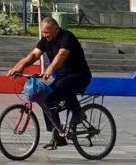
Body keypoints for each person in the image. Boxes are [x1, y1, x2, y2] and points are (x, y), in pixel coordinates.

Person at [5, 16, 92, 150]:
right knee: (45, 97)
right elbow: (33, 55)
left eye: (47, 32)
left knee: (62, 85)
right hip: (63, 77)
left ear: (56, 29)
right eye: (43, 33)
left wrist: (50, 68)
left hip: (80, 76)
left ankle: (78, 112)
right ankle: (57, 135)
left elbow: (62, 55)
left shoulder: (67, 37)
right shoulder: (46, 40)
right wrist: (18, 67)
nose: (45, 35)